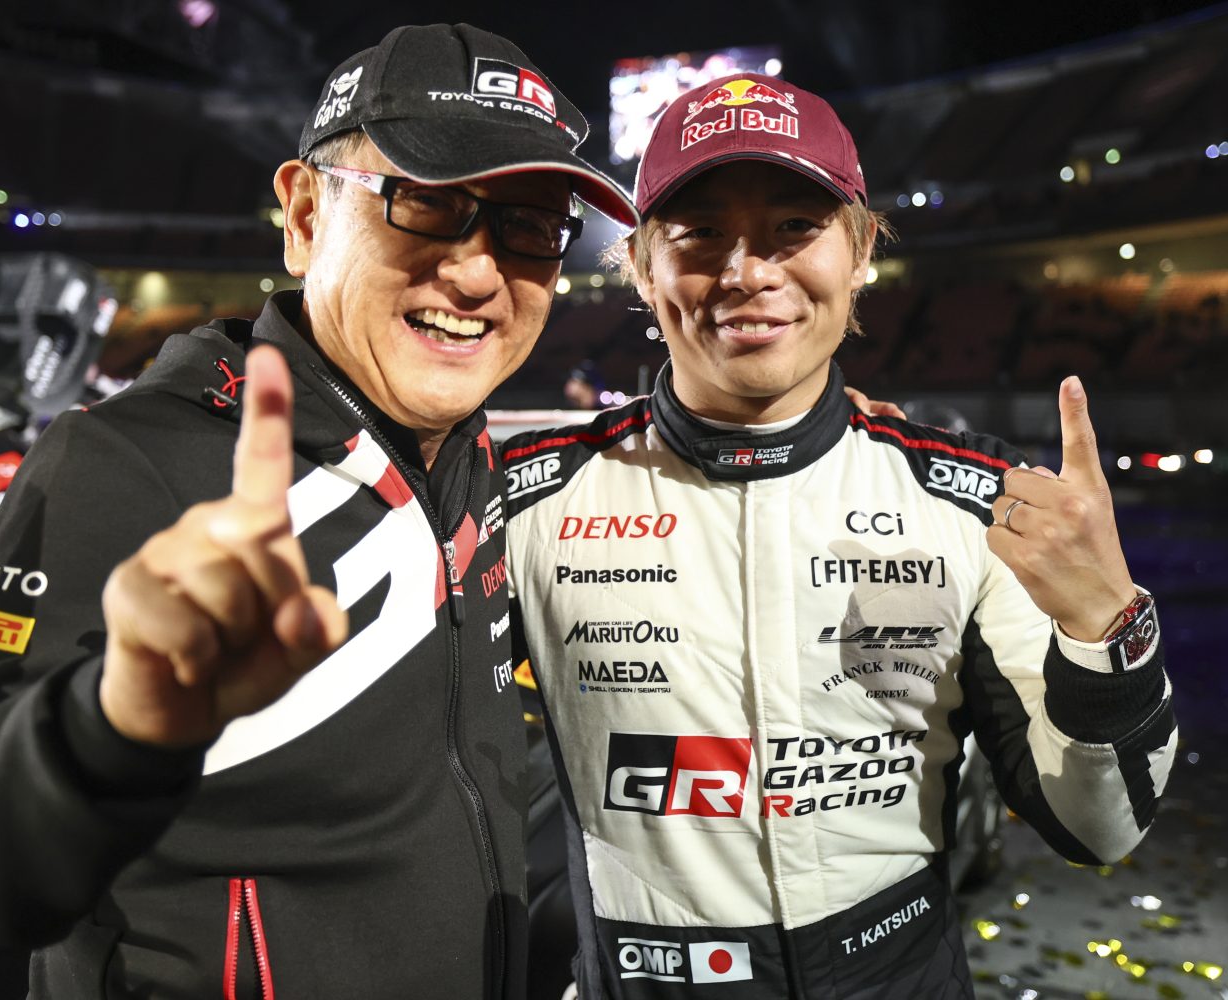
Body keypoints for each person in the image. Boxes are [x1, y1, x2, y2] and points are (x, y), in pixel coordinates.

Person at [0, 24, 640, 999]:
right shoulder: (130, 463)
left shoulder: (470, 460)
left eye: (529, 225)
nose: (475, 273)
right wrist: (109, 724)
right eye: (426, 203)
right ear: (304, 215)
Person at [502, 73, 1177, 998]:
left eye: (794, 226)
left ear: (861, 251)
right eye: (699, 233)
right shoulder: (526, 499)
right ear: (640, 267)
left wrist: (1109, 633)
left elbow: (1100, 829)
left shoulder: (973, 499)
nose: (748, 272)